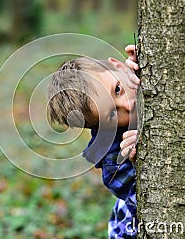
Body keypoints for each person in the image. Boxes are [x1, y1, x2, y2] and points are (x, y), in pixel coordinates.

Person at [47, 45, 140, 238]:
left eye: (118, 89)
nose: (128, 105)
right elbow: (143, 198)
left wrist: (141, 62)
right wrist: (140, 159)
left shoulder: (130, 74)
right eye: (112, 114)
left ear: (118, 66)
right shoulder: (112, 157)